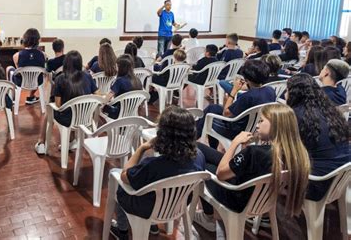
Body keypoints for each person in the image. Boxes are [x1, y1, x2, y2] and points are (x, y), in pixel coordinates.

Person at [194, 104, 310, 233]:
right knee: (199, 146)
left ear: (276, 125)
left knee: (201, 162)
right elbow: (249, 166)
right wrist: (244, 150)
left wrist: (235, 142)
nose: (257, 125)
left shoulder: (255, 152)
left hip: (235, 197)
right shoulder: (294, 154)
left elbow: (220, 174)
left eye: (261, 121)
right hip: (260, 198)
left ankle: (207, 217)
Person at [110, 106, 206, 239]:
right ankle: (152, 226)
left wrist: (141, 148)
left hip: (148, 208)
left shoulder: (153, 165)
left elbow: (124, 176)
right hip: (178, 204)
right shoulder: (199, 157)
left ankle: (122, 231)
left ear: (162, 134)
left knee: (117, 176)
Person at [286, 74, 350, 201]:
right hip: (342, 174)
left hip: (318, 181)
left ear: (294, 93)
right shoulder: (330, 110)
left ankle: (263, 206)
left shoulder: (296, 115)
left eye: (287, 90)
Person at [196, 60, 276, 149]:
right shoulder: (271, 90)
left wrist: (234, 91)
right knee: (214, 108)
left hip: (237, 130)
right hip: (255, 128)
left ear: (247, 79)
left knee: (208, 116)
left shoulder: (247, 97)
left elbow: (226, 114)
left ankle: (196, 138)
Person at [34, 51, 99, 155]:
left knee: (49, 109)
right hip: (85, 117)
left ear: (66, 63)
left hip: (68, 119)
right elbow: (98, 94)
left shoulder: (60, 79)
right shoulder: (87, 77)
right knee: (70, 110)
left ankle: (41, 142)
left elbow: (59, 105)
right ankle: (71, 141)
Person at [6, 28, 46, 105]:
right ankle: (31, 96)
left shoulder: (16, 55)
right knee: (39, 74)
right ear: (38, 40)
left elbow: (18, 71)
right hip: (37, 82)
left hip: (22, 82)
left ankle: (12, 97)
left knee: (9, 68)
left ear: (25, 39)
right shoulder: (43, 55)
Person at [103, 55, 143, 119]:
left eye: (116, 66)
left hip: (118, 114)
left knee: (101, 108)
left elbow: (108, 97)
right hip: (133, 113)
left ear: (120, 67)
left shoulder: (119, 81)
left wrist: (102, 103)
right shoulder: (137, 80)